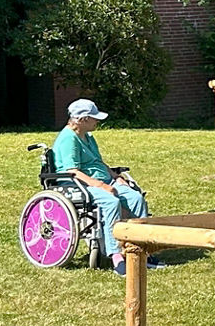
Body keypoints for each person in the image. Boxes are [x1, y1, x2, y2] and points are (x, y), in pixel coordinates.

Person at [52, 98, 158, 276]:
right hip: (78, 185)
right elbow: (73, 171)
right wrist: (100, 185)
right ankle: (116, 256)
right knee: (111, 202)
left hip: (103, 180)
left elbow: (98, 163)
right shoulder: (68, 139)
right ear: (83, 119)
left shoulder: (88, 137)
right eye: (94, 118)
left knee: (136, 198)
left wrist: (116, 177)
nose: (97, 121)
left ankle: (142, 251)